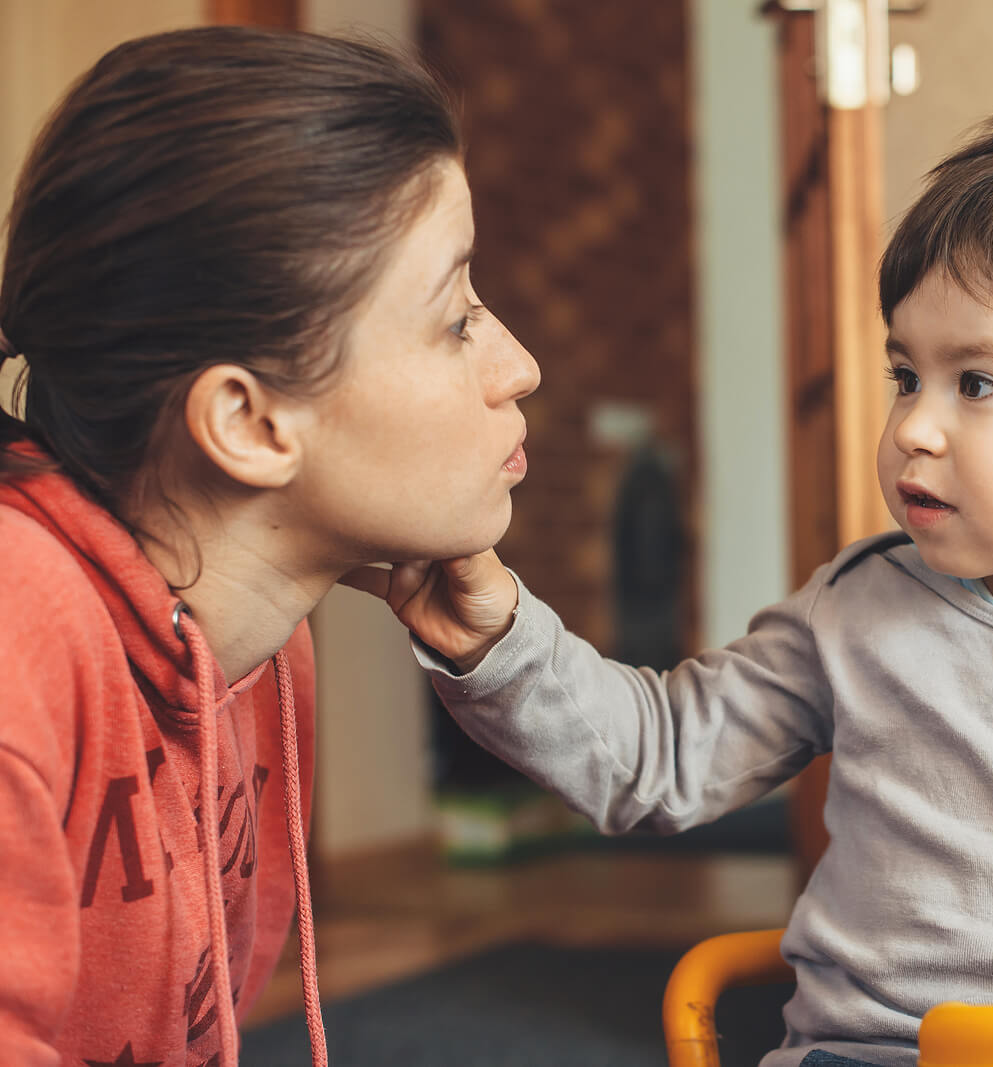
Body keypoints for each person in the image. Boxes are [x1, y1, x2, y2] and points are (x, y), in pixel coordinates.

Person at [356, 96, 993, 1065]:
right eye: (906, 373)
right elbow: (656, 757)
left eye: (977, 381)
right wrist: (500, 642)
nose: (912, 423)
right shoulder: (860, 604)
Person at [0, 27, 539, 1067]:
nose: (519, 363)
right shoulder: (21, 626)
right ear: (250, 424)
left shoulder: (258, 650)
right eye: (455, 317)